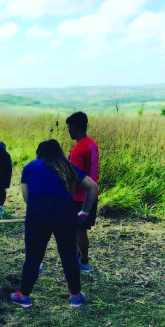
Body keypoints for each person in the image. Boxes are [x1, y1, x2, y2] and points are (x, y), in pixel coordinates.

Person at [10, 139, 98, 308]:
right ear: (59, 152)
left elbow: (27, 198)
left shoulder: (30, 167)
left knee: (33, 257)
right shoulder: (67, 166)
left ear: (39, 152)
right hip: (66, 214)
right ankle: (76, 297)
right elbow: (92, 187)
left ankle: (23, 296)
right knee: (68, 254)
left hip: (37, 214)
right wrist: (84, 212)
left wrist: (40, 211)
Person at [67, 112, 99, 272]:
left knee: (77, 230)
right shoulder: (92, 143)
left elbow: (75, 177)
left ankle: (83, 262)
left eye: (69, 127)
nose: (68, 130)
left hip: (79, 197)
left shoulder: (78, 150)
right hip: (91, 195)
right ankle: (81, 259)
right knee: (82, 229)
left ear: (75, 127)